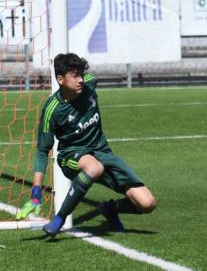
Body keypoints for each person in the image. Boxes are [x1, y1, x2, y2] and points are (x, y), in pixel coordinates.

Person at [16, 53, 156, 236]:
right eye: (74, 76)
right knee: (94, 167)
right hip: (71, 157)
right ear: (60, 79)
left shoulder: (89, 83)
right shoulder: (52, 109)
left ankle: (111, 209)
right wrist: (36, 192)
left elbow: (89, 77)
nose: (81, 80)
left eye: (81, 74)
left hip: (102, 152)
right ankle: (60, 218)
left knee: (147, 203)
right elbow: (43, 151)